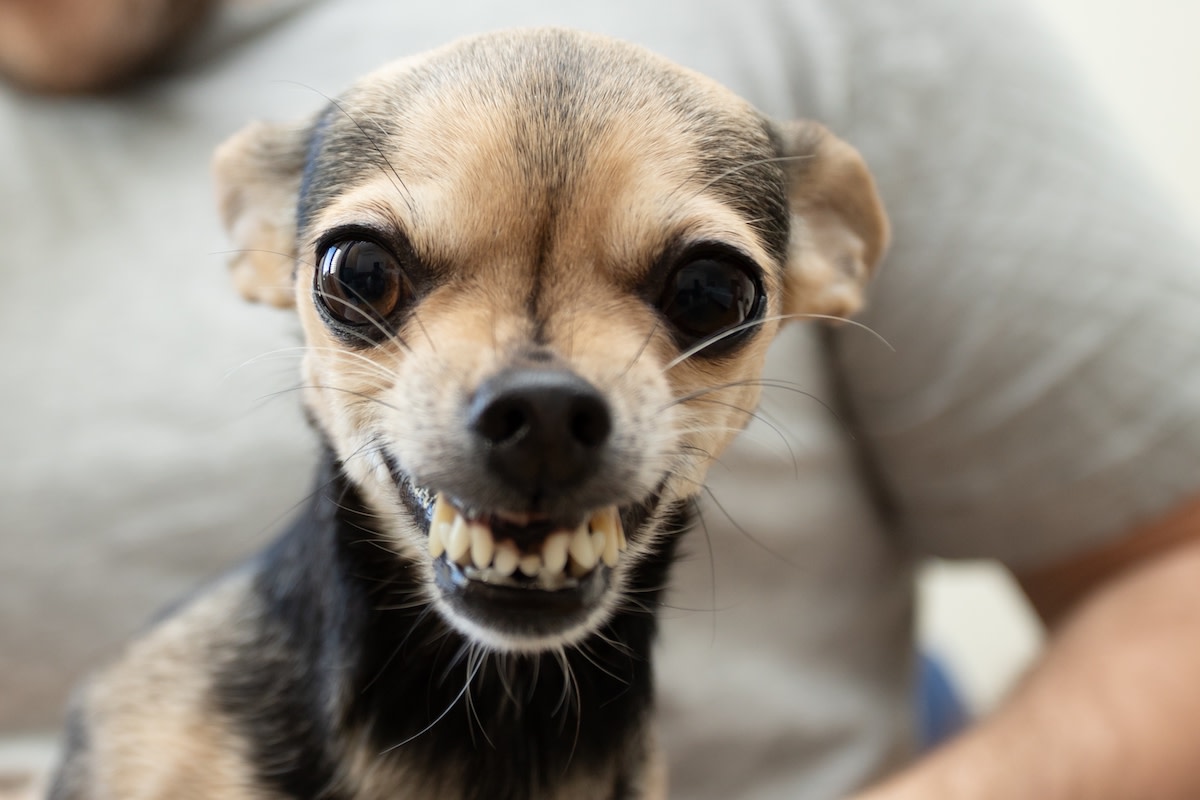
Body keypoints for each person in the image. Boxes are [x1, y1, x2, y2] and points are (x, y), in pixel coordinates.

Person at [1, 1, 1198, 798]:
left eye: (700, 292)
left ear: (828, 255)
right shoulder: (167, 730)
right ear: (264, 238)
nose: (536, 400)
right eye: (371, 277)